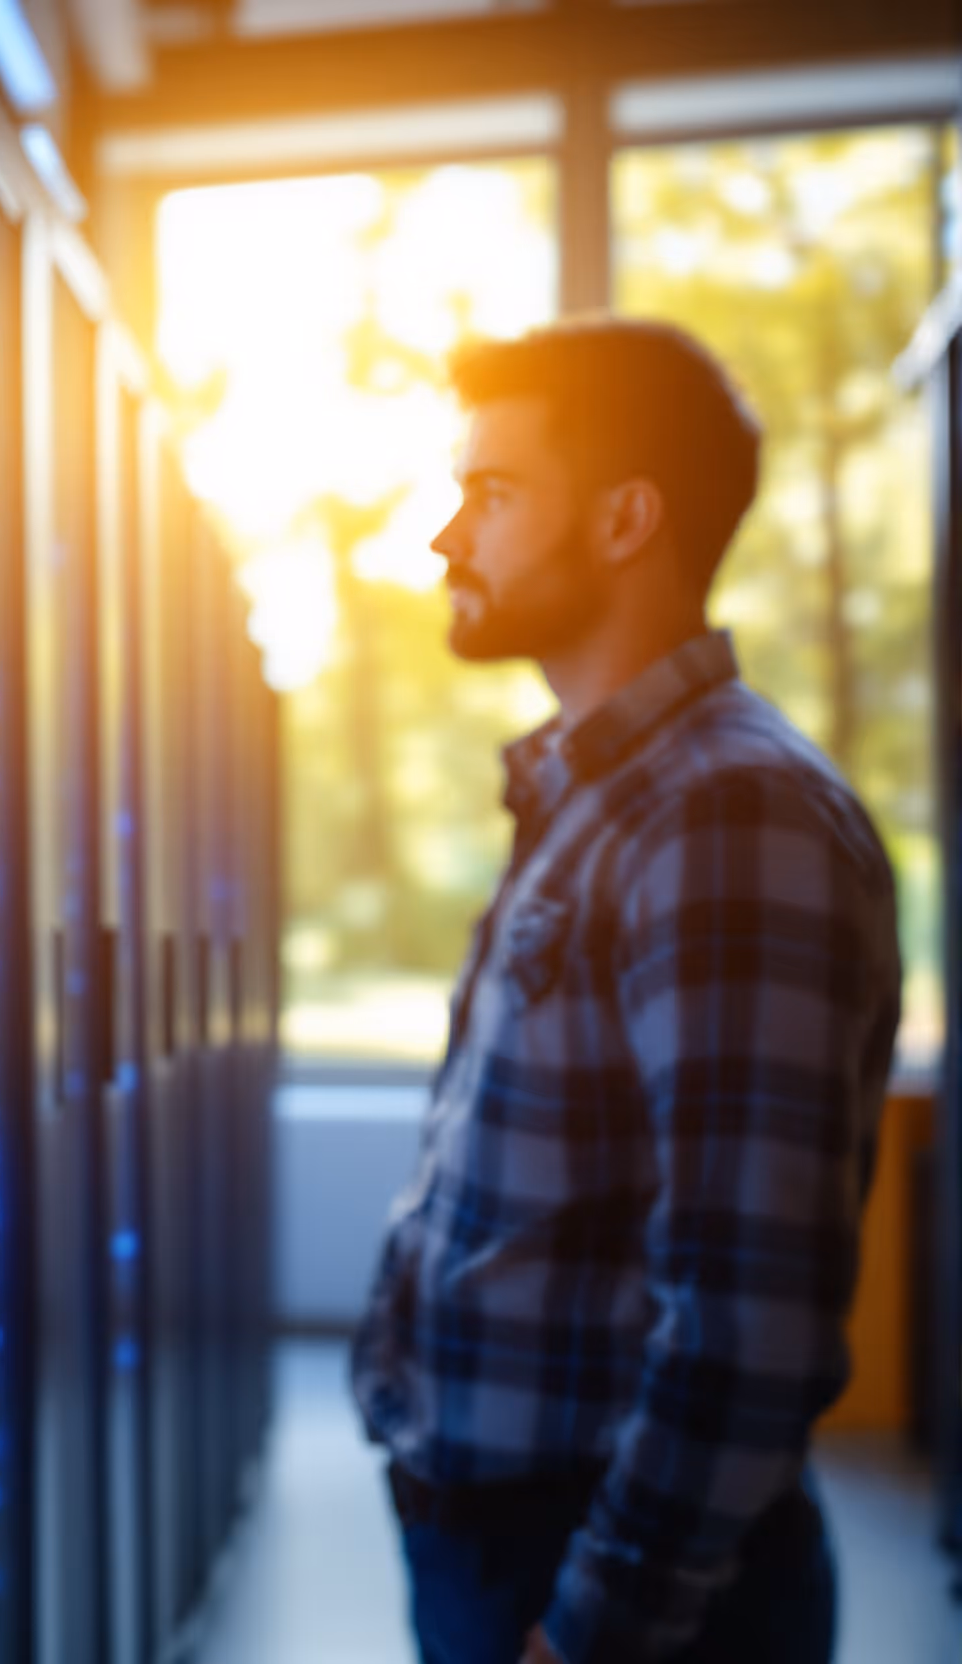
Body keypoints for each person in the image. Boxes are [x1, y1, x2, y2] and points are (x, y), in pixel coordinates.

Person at [351, 317, 903, 1664]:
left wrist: (594, 1632)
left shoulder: (727, 814)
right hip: (512, 1535)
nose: (447, 539)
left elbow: (745, 1317)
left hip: (601, 1581)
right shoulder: (614, 793)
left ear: (624, 521)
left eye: (491, 494)